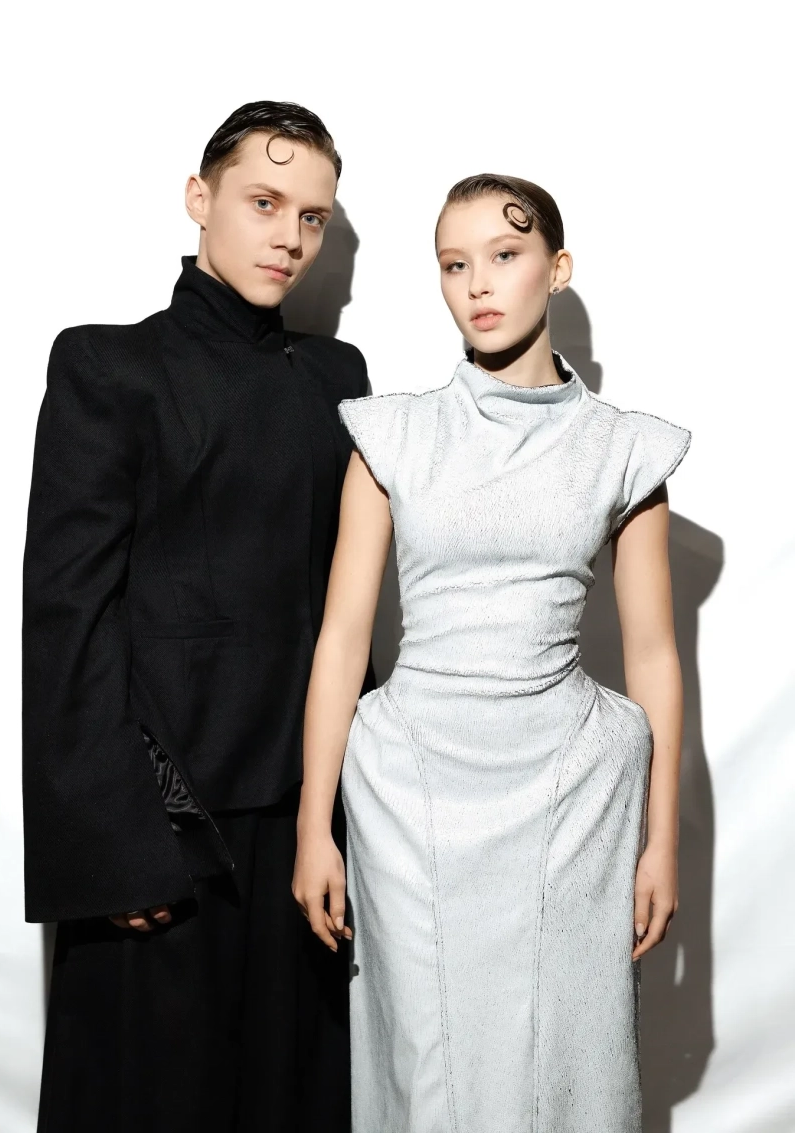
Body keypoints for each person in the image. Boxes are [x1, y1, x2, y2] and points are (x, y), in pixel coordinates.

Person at [292, 175, 690, 1132]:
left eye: (504, 256)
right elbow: (342, 636)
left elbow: (653, 654)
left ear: (557, 269)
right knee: (427, 1066)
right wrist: (315, 826)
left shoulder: (625, 449)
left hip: (567, 795)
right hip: (411, 787)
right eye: (453, 264)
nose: (477, 283)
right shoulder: (391, 434)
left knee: (562, 1059)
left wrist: (662, 839)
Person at [22, 101, 367, 1133]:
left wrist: (335, 821)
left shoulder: (339, 380)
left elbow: (349, 612)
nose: (289, 236)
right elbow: (68, 616)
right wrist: (114, 846)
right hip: (165, 829)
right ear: (198, 198)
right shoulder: (106, 366)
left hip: (303, 823)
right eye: (264, 202)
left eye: (312, 217)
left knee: (289, 1100)